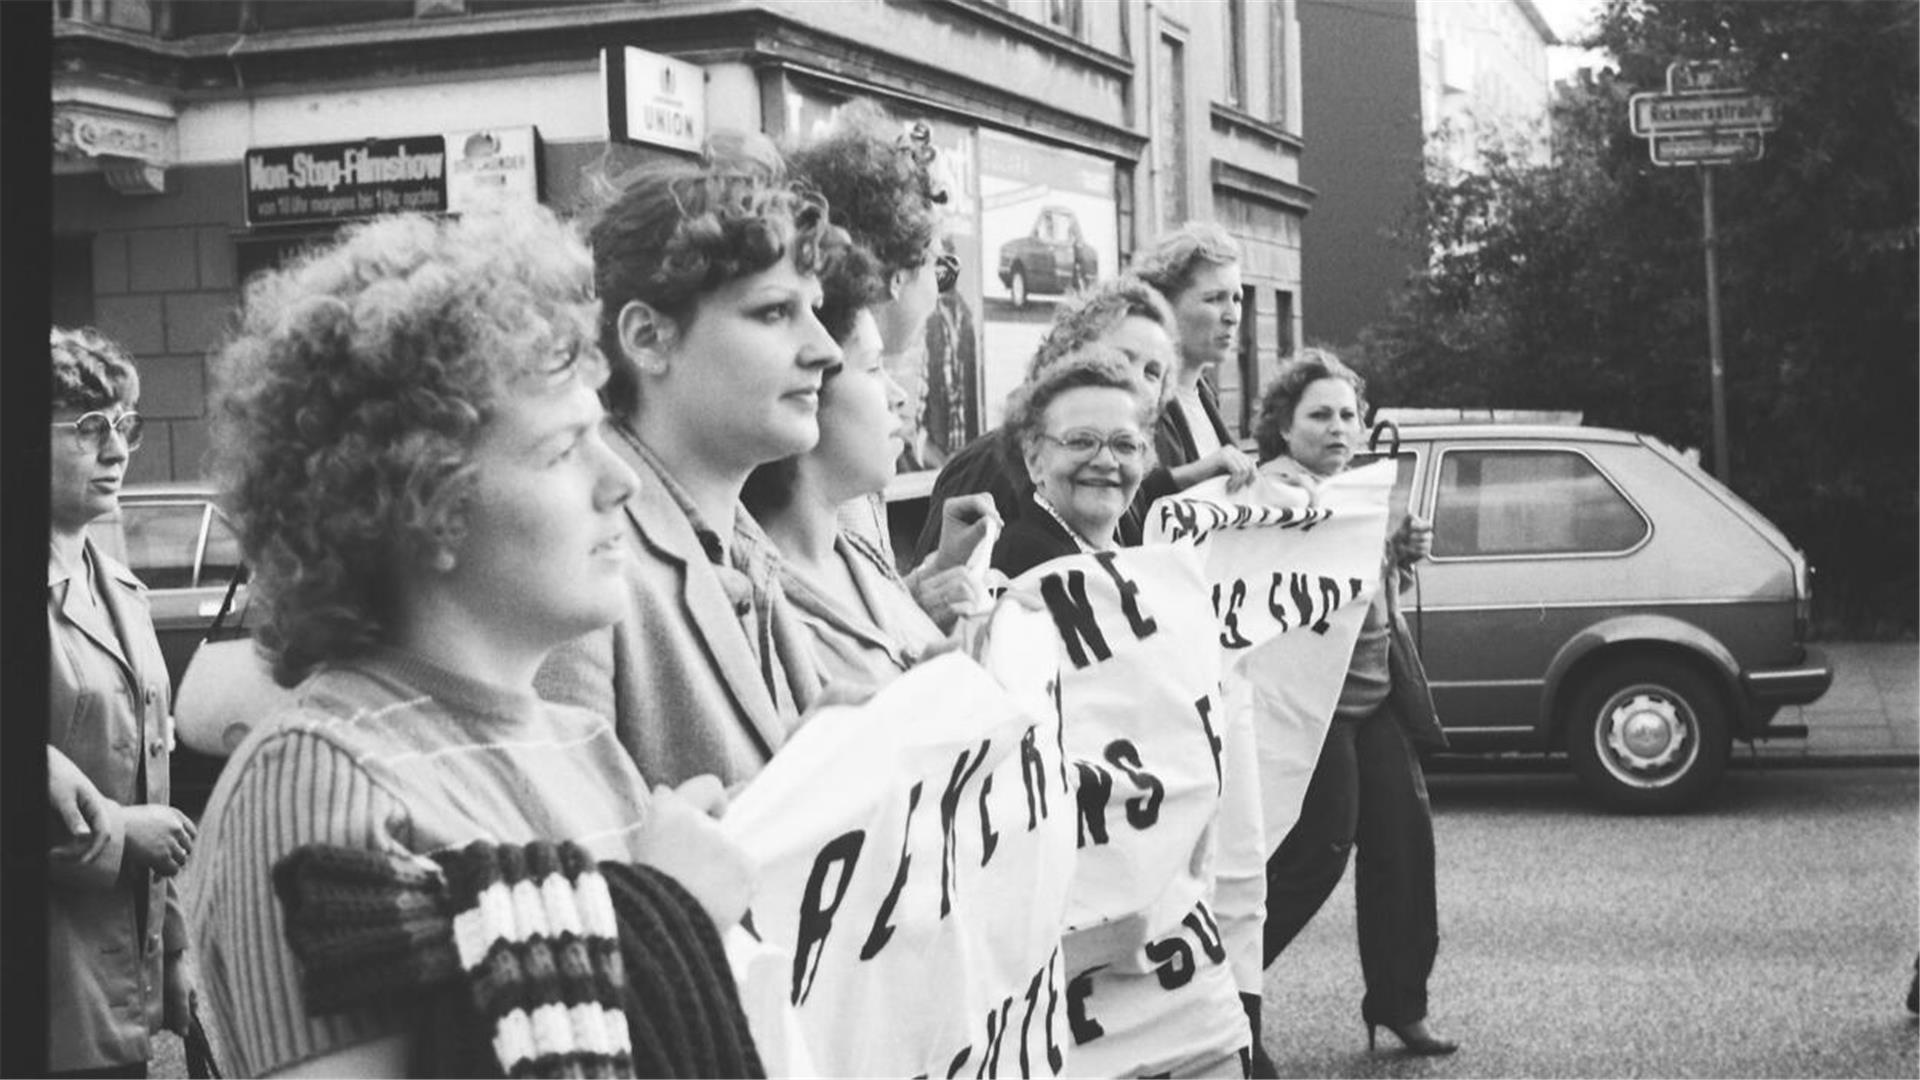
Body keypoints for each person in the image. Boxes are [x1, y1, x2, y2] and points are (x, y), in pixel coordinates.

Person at [184, 206, 750, 1077]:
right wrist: (662, 913)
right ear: (421, 499)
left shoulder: (586, 744)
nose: (622, 480)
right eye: (565, 448)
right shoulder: (320, 774)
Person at [536, 140, 841, 789]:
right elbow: (579, 852)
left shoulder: (743, 547)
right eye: (774, 312)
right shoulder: (584, 556)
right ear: (647, 337)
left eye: (813, 309)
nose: (825, 349)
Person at [1250, 349, 1456, 1056]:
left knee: (1404, 849)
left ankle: (1400, 1002)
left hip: (1373, 698)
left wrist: (1393, 554)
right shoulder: (1270, 494)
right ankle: (1216, 997)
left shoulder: (1354, 492)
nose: (1340, 427)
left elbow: (1353, 600)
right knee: (1317, 856)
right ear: (1282, 424)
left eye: (1350, 414)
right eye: (1320, 415)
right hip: (1315, 710)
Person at [47, 326, 195, 1078]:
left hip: (115, 984)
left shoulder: (122, 589)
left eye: (123, 425)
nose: (117, 450)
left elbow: (148, 771)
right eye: (88, 428)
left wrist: (173, 947)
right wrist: (119, 833)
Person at [915, 274, 1179, 561]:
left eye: (1153, 372)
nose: (1136, 381)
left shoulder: (1121, 478)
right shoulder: (991, 463)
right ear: (1070, 355)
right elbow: (941, 588)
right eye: (1120, 359)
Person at [787, 102, 947, 560]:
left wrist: (917, 602)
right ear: (898, 275)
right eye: (941, 268)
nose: (938, 296)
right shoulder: (840, 426)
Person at [990, 347, 1158, 576]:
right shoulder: (1027, 567)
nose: (1106, 461)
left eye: (1125, 445)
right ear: (1034, 461)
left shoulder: (1116, 552)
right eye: (1081, 441)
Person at [1129, 221, 1259, 509]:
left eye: (1237, 298)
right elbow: (1124, 496)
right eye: (1214, 299)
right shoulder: (1138, 396)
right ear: (1164, 305)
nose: (1233, 316)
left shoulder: (1204, 393)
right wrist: (1195, 474)